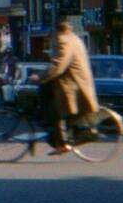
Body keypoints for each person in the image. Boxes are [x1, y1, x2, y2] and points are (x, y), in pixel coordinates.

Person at [38, 20, 99, 154]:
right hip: (76, 81)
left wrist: (40, 76)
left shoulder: (64, 40)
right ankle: (65, 139)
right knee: (63, 112)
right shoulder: (75, 39)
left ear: (57, 31)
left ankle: (64, 143)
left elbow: (60, 64)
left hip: (72, 84)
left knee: (56, 112)